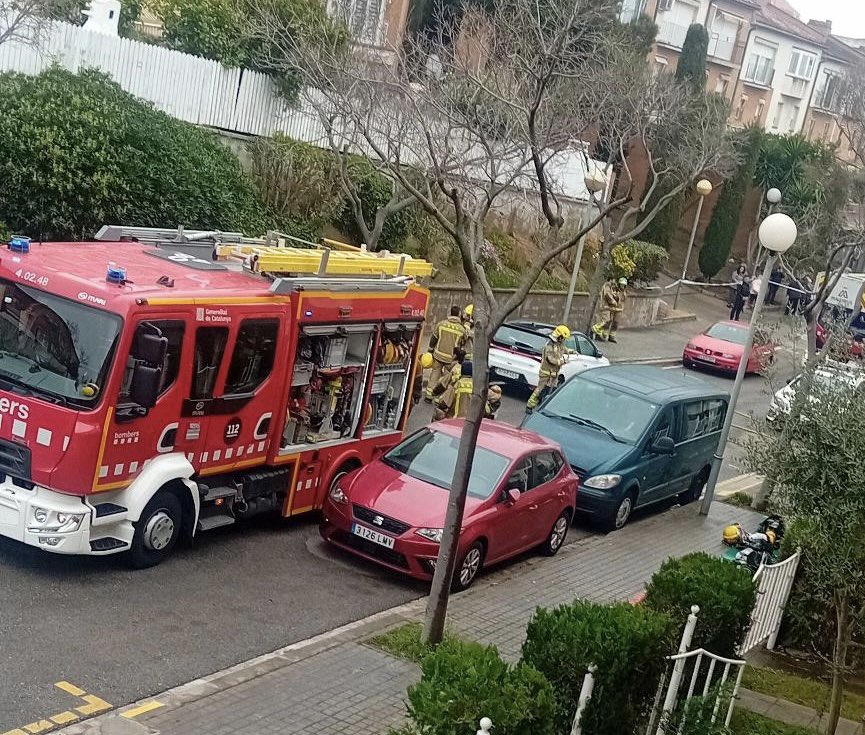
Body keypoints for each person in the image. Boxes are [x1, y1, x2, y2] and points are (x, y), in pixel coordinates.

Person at [526, 324, 570, 412]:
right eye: (563, 338)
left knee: (551, 392)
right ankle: (529, 406)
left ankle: (543, 407)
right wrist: (562, 362)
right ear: (559, 336)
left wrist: (571, 351)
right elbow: (550, 360)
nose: (564, 340)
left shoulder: (558, 344)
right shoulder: (549, 346)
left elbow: (563, 349)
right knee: (540, 390)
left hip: (554, 374)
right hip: (546, 373)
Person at [425, 305, 465, 401]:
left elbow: (434, 338)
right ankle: (439, 398)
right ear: (459, 315)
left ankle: (428, 396)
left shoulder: (441, 324)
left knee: (434, 374)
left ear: (450, 313)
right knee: (446, 379)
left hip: (438, 355)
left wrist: (430, 350)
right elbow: (462, 345)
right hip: (450, 359)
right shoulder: (462, 330)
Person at [592, 277, 628, 343]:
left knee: (616, 323)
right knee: (608, 321)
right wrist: (613, 301)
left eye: (623, 285)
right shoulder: (614, 289)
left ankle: (612, 336)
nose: (622, 286)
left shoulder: (625, 292)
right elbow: (609, 296)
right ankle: (604, 334)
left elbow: (623, 301)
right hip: (612, 308)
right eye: (621, 284)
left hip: (619, 309)